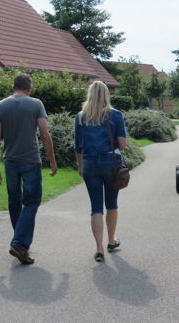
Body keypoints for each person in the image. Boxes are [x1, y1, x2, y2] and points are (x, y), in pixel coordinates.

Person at [0, 73, 57, 265]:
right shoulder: (36, 104)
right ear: (29, 87)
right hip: (30, 161)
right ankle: (19, 243)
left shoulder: (0, 105)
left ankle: (20, 244)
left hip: (10, 161)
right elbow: (45, 134)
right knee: (31, 202)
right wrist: (52, 161)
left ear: (14, 86)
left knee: (14, 201)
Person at [74, 81, 127, 262]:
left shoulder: (81, 116)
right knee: (111, 204)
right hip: (110, 162)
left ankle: (99, 249)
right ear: (106, 94)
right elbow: (122, 144)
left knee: (96, 207)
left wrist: (80, 166)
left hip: (89, 163)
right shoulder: (115, 115)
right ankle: (111, 242)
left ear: (89, 94)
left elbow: (78, 146)